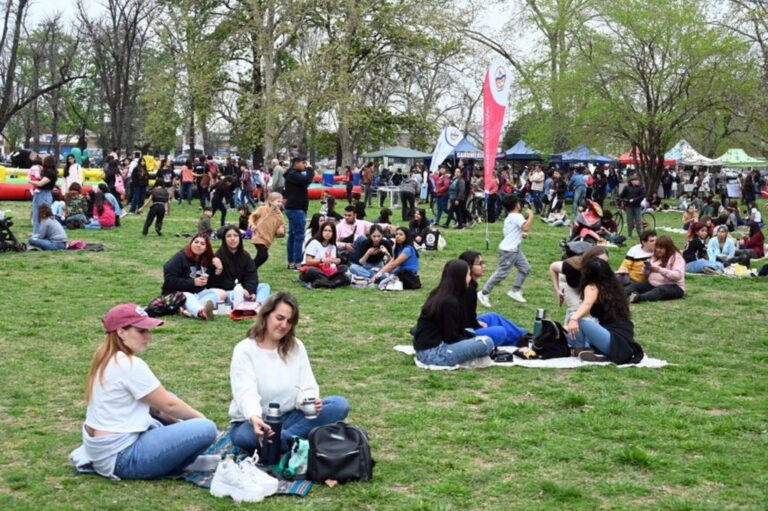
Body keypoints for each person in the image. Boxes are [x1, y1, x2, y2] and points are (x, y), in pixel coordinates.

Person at [69, 304, 217, 480]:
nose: (148, 336)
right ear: (121, 332)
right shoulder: (128, 364)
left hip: (105, 452)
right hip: (122, 458)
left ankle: (178, 460)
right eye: (141, 331)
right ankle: (179, 462)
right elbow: (169, 405)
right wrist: (201, 418)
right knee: (206, 428)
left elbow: (163, 403)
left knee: (169, 402)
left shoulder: (106, 358)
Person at [229, 292, 350, 455]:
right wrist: (254, 417)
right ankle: (296, 441)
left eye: (290, 321)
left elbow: (306, 384)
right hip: (256, 421)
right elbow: (245, 392)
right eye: (280, 318)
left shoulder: (296, 347)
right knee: (244, 437)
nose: (284, 325)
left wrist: (310, 402)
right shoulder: (244, 350)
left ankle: (281, 442)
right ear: (266, 315)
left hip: (290, 417)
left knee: (338, 405)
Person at [411, 260, 496, 367]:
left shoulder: (437, 293)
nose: (470, 278)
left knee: (472, 334)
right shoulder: (449, 302)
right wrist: (473, 338)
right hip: (435, 353)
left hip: (426, 347)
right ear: (460, 278)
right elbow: (451, 337)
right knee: (487, 342)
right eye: (468, 275)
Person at [566, 259, 645, 364]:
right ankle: (594, 352)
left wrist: (574, 319)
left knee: (578, 319)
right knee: (573, 323)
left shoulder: (592, 287)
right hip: (624, 339)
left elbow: (587, 304)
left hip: (613, 341)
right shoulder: (614, 287)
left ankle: (578, 350)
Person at [459, 251, 528, 347]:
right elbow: (465, 323)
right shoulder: (468, 289)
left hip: (468, 325)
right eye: (479, 264)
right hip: (464, 333)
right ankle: (522, 339)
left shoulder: (470, 287)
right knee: (500, 332)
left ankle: (524, 334)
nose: (484, 266)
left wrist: (477, 323)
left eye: (483, 262)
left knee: (493, 316)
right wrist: (478, 325)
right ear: (468, 267)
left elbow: (468, 317)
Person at [477, 195, 534, 306]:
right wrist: (531, 215)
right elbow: (526, 227)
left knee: (525, 268)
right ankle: (484, 293)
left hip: (515, 249)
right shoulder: (516, 216)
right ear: (517, 205)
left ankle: (515, 290)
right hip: (509, 251)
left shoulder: (510, 217)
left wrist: (522, 234)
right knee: (501, 273)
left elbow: (513, 231)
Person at [162, 235, 226, 320]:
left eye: (202, 244)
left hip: (198, 293)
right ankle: (201, 313)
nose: (198, 245)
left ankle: (187, 309)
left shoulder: (206, 260)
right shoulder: (180, 258)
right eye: (196, 242)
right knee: (188, 296)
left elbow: (212, 283)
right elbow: (169, 281)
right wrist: (193, 282)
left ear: (206, 248)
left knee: (222, 294)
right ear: (191, 243)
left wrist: (219, 268)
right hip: (178, 294)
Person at [210, 226, 271, 305]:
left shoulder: (245, 255)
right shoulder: (218, 257)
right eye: (229, 236)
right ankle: (250, 302)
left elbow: (252, 276)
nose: (232, 239)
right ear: (224, 239)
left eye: (235, 235)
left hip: (244, 290)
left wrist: (250, 290)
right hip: (228, 291)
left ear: (239, 238)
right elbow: (216, 283)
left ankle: (259, 305)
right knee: (230, 295)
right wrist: (219, 269)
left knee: (264, 286)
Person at [548, 246, 609, 322]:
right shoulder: (571, 267)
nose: (603, 265)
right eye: (600, 261)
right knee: (577, 308)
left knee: (591, 308)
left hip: (583, 284)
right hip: (568, 282)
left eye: (605, 262)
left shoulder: (603, 270)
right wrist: (557, 290)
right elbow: (553, 267)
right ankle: (568, 329)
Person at [626, 236, 685, 303]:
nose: (658, 250)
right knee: (634, 286)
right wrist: (646, 269)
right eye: (657, 247)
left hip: (674, 286)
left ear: (668, 248)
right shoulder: (655, 256)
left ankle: (638, 298)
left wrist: (660, 270)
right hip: (653, 284)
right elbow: (646, 273)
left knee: (659, 291)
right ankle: (628, 295)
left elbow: (677, 276)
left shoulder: (676, 257)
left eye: (661, 248)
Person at [284, 155, 314, 270]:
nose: (305, 165)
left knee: (292, 235)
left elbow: (304, 183)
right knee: (299, 236)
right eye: (303, 163)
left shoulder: (292, 174)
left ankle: (291, 261)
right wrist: (310, 169)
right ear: (296, 163)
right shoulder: (293, 174)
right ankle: (297, 262)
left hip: (293, 208)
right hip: (296, 209)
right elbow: (307, 180)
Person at [299, 221, 350, 288]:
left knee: (343, 268)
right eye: (325, 230)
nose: (327, 233)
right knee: (312, 270)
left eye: (330, 231)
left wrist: (336, 261)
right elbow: (308, 261)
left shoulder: (332, 246)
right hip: (312, 271)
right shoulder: (314, 243)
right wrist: (322, 260)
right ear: (321, 231)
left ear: (333, 233)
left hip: (326, 271)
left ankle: (322, 282)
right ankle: (332, 282)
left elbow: (332, 265)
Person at [249, 192, 285, 273]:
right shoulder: (262, 209)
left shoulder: (280, 215)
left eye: (281, 202)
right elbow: (252, 217)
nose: (280, 204)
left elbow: (281, 225)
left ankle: (249, 269)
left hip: (268, 239)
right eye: (278, 201)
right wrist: (252, 225)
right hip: (258, 235)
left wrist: (281, 230)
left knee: (261, 256)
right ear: (271, 201)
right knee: (263, 255)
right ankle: (251, 270)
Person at [29, 154, 58, 235]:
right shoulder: (46, 172)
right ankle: (36, 234)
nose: (42, 161)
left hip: (44, 195)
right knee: (36, 217)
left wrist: (30, 181)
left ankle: (42, 234)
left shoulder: (51, 173)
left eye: (43, 160)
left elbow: (40, 184)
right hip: (39, 194)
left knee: (43, 217)